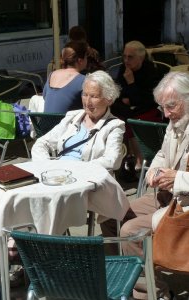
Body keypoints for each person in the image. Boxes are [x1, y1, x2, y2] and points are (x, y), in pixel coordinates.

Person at [102, 71, 189, 299]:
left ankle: (151, 293)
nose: (167, 113)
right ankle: (117, 277)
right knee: (110, 215)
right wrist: (154, 169)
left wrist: (177, 178)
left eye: (171, 106)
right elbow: (162, 152)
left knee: (131, 232)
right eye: (163, 108)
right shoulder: (176, 121)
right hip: (168, 195)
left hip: (184, 205)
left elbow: (179, 177)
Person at [32, 70, 125, 173]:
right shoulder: (73, 117)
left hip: (87, 179)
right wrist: (47, 167)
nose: (87, 102)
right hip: (58, 175)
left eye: (94, 96)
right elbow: (42, 142)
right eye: (85, 94)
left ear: (109, 99)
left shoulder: (114, 126)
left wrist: (77, 170)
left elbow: (112, 160)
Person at [111, 40, 163, 171]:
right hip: (128, 108)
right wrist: (127, 97)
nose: (126, 60)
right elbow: (118, 92)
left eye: (130, 57)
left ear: (141, 57)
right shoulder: (124, 68)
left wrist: (131, 83)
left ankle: (138, 159)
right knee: (113, 113)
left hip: (148, 109)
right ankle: (123, 156)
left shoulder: (151, 72)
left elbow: (145, 100)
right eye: (124, 56)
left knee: (130, 120)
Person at [43, 40, 87, 113]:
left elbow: (45, 97)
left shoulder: (52, 75)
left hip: (45, 123)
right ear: (80, 60)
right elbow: (89, 105)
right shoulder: (83, 80)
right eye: (86, 57)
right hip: (67, 123)